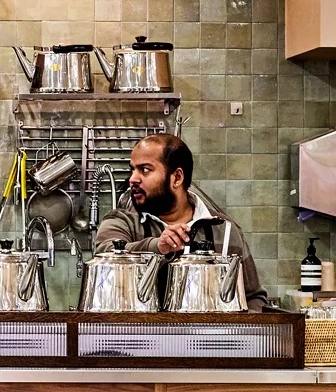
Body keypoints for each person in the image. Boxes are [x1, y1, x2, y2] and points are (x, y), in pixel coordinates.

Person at [93, 133, 270, 311]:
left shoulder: (225, 231)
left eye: (145, 170)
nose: (133, 179)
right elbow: (106, 256)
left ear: (177, 178)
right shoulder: (121, 221)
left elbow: (253, 297)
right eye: (133, 169)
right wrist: (158, 247)